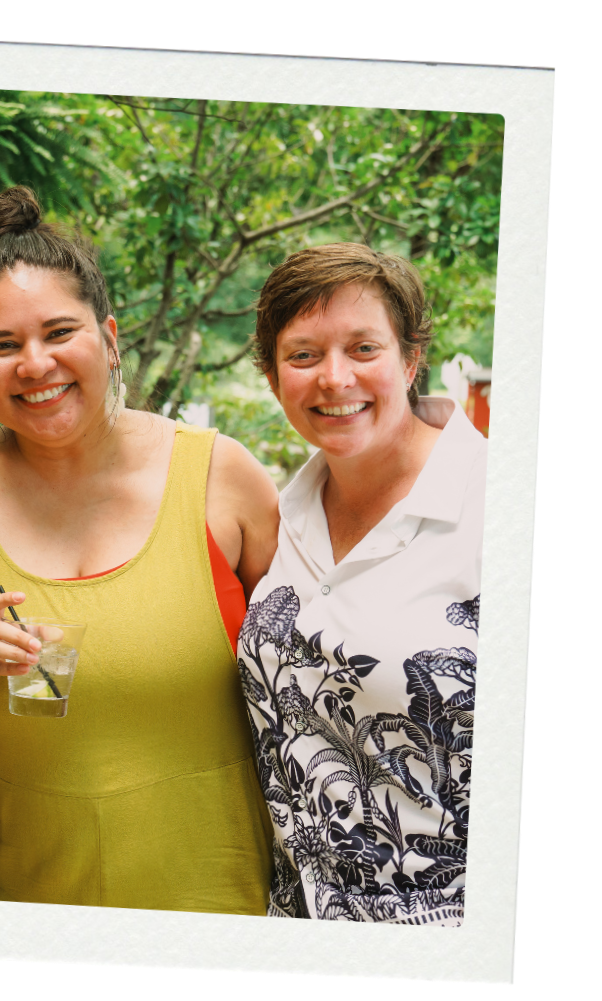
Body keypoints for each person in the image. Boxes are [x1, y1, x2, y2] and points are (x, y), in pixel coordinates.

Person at [0, 187, 279, 913]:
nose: (34, 363)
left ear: (109, 336)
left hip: (222, 901)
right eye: (1, 345)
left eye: (59, 332)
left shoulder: (220, 475)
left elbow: (312, 667)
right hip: (22, 906)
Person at [237, 244, 486, 925]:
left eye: (363, 348)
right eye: (303, 355)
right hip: (296, 922)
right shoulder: (283, 516)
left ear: (409, 360)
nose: (333, 378)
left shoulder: (500, 502)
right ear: (270, 374)